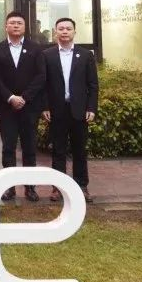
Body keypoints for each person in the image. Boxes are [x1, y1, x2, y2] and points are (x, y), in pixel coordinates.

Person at [0, 11, 46, 202]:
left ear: (24, 27)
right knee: (8, 148)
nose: (15, 26)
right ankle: (9, 187)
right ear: (6, 26)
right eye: (12, 23)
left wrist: (24, 97)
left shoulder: (35, 49)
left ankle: (30, 187)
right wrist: (10, 97)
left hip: (29, 107)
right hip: (7, 108)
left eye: (19, 23)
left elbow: (41, 76)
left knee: (29, 148)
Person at [41, 17, 98, 204]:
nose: (64, 31)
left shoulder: (86, 55)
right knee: (58, 150)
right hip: (57, 110)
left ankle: (82, 186)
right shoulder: (47, 55)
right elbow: (43, 84)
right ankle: (58, 187)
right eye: (61, 28)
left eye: (68, 28)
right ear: (55, 32)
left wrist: (91, 107)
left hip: (79, 110)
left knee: (80, 150)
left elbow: (93, 85)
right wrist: (45, 106)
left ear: (74, 31)